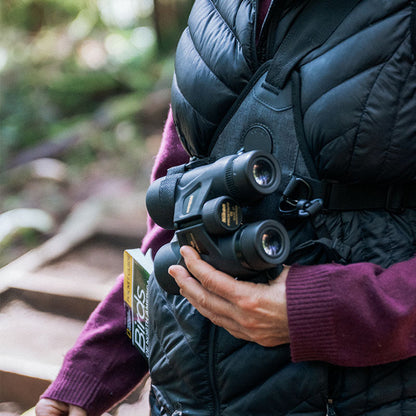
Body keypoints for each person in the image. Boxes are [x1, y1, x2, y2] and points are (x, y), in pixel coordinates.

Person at [36, 0, 416, 415]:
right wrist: (97, 365)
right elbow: (171, 228)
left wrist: (319, 311)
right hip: (183, 399)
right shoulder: (215, 12)